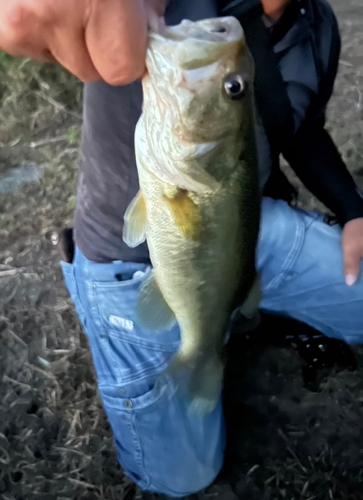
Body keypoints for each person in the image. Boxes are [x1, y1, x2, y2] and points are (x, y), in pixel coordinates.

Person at [1, 0, 363, 496]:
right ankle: (207, 335)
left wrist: (354, 210)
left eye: (232, 85)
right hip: (129, 270)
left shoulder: (316, 25)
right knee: (184, 478)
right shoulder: (168, 12)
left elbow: (303, 130)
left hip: (245, 232)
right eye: (231, 88)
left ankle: (228, 317)